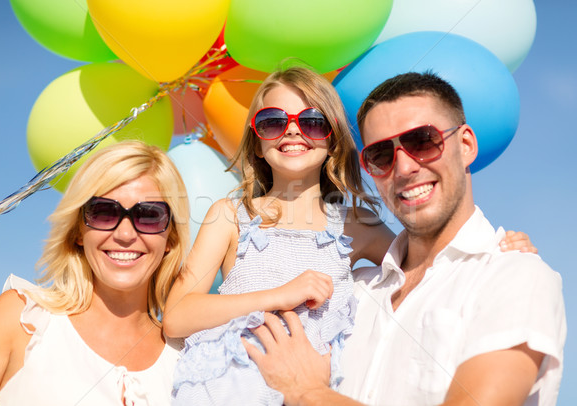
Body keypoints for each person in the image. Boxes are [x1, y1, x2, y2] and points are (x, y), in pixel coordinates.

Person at [162, 67, 536, 405]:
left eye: (311, 122)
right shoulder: (231, 216)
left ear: (333, 140)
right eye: (274, 121)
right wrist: (277, 296)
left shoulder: (355, 225)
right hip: (227, 392)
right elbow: (177, 315)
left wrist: (495, 250)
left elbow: (428, 264)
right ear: (257, 140)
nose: (293, 130)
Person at [0, 141, 190, 405]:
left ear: (170, 237)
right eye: (103, 212)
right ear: (78, 231)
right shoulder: (22, 321)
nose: (125, 235)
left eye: (149, 215)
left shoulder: (191, 360)